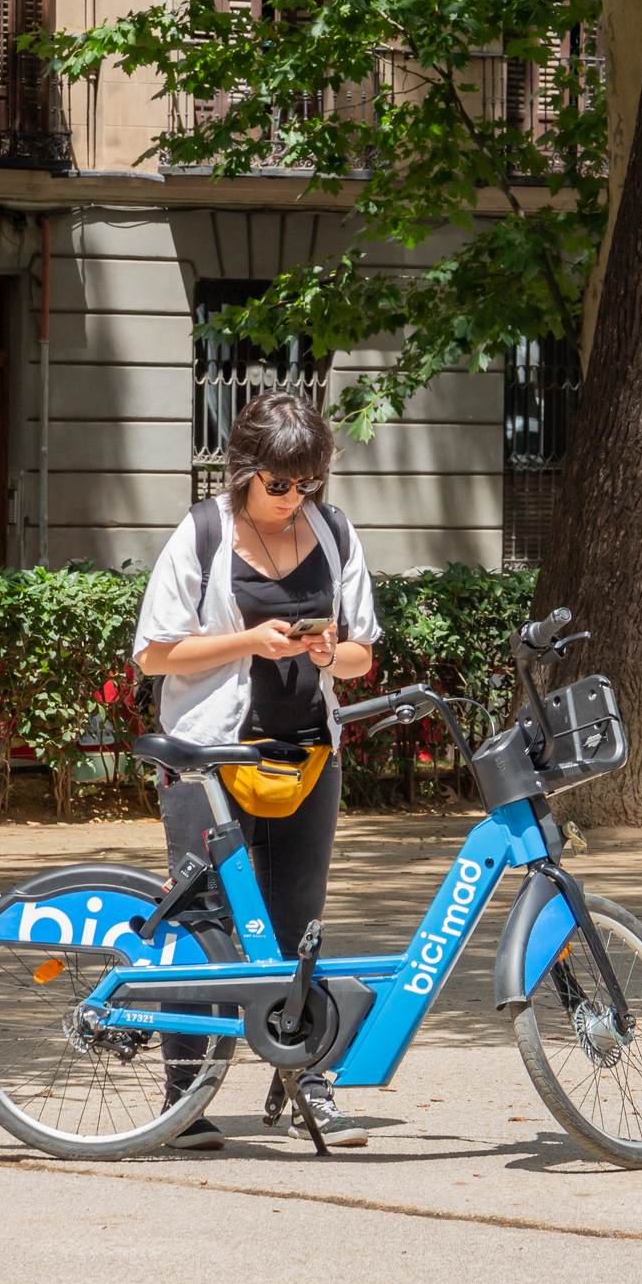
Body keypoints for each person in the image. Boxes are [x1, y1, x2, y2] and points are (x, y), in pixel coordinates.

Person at [132, 392, 381, 1149]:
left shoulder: (334, 534)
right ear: (246, 471)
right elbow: (153, 653)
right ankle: (185, 1103)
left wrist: (322, 653)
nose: (293, 499)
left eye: (308, 484)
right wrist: (249, 643)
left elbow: (363, 655)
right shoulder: (202, 534)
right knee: (205, 929)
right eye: (280, 485)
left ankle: (307, 1083)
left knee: (299, 926)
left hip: (307, 757)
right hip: (211, 761)